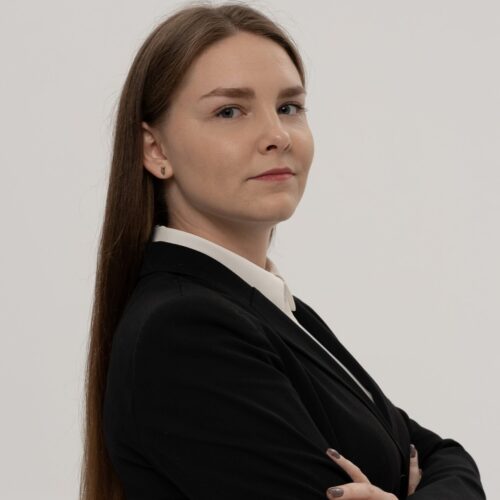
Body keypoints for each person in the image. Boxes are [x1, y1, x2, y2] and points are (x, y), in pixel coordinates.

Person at [80, 2, 486, 499]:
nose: (276, 136)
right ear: (155, 150)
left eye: (290, 107)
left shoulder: (269, 310)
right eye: (229, 111)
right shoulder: (184, 331)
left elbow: (446, 456)